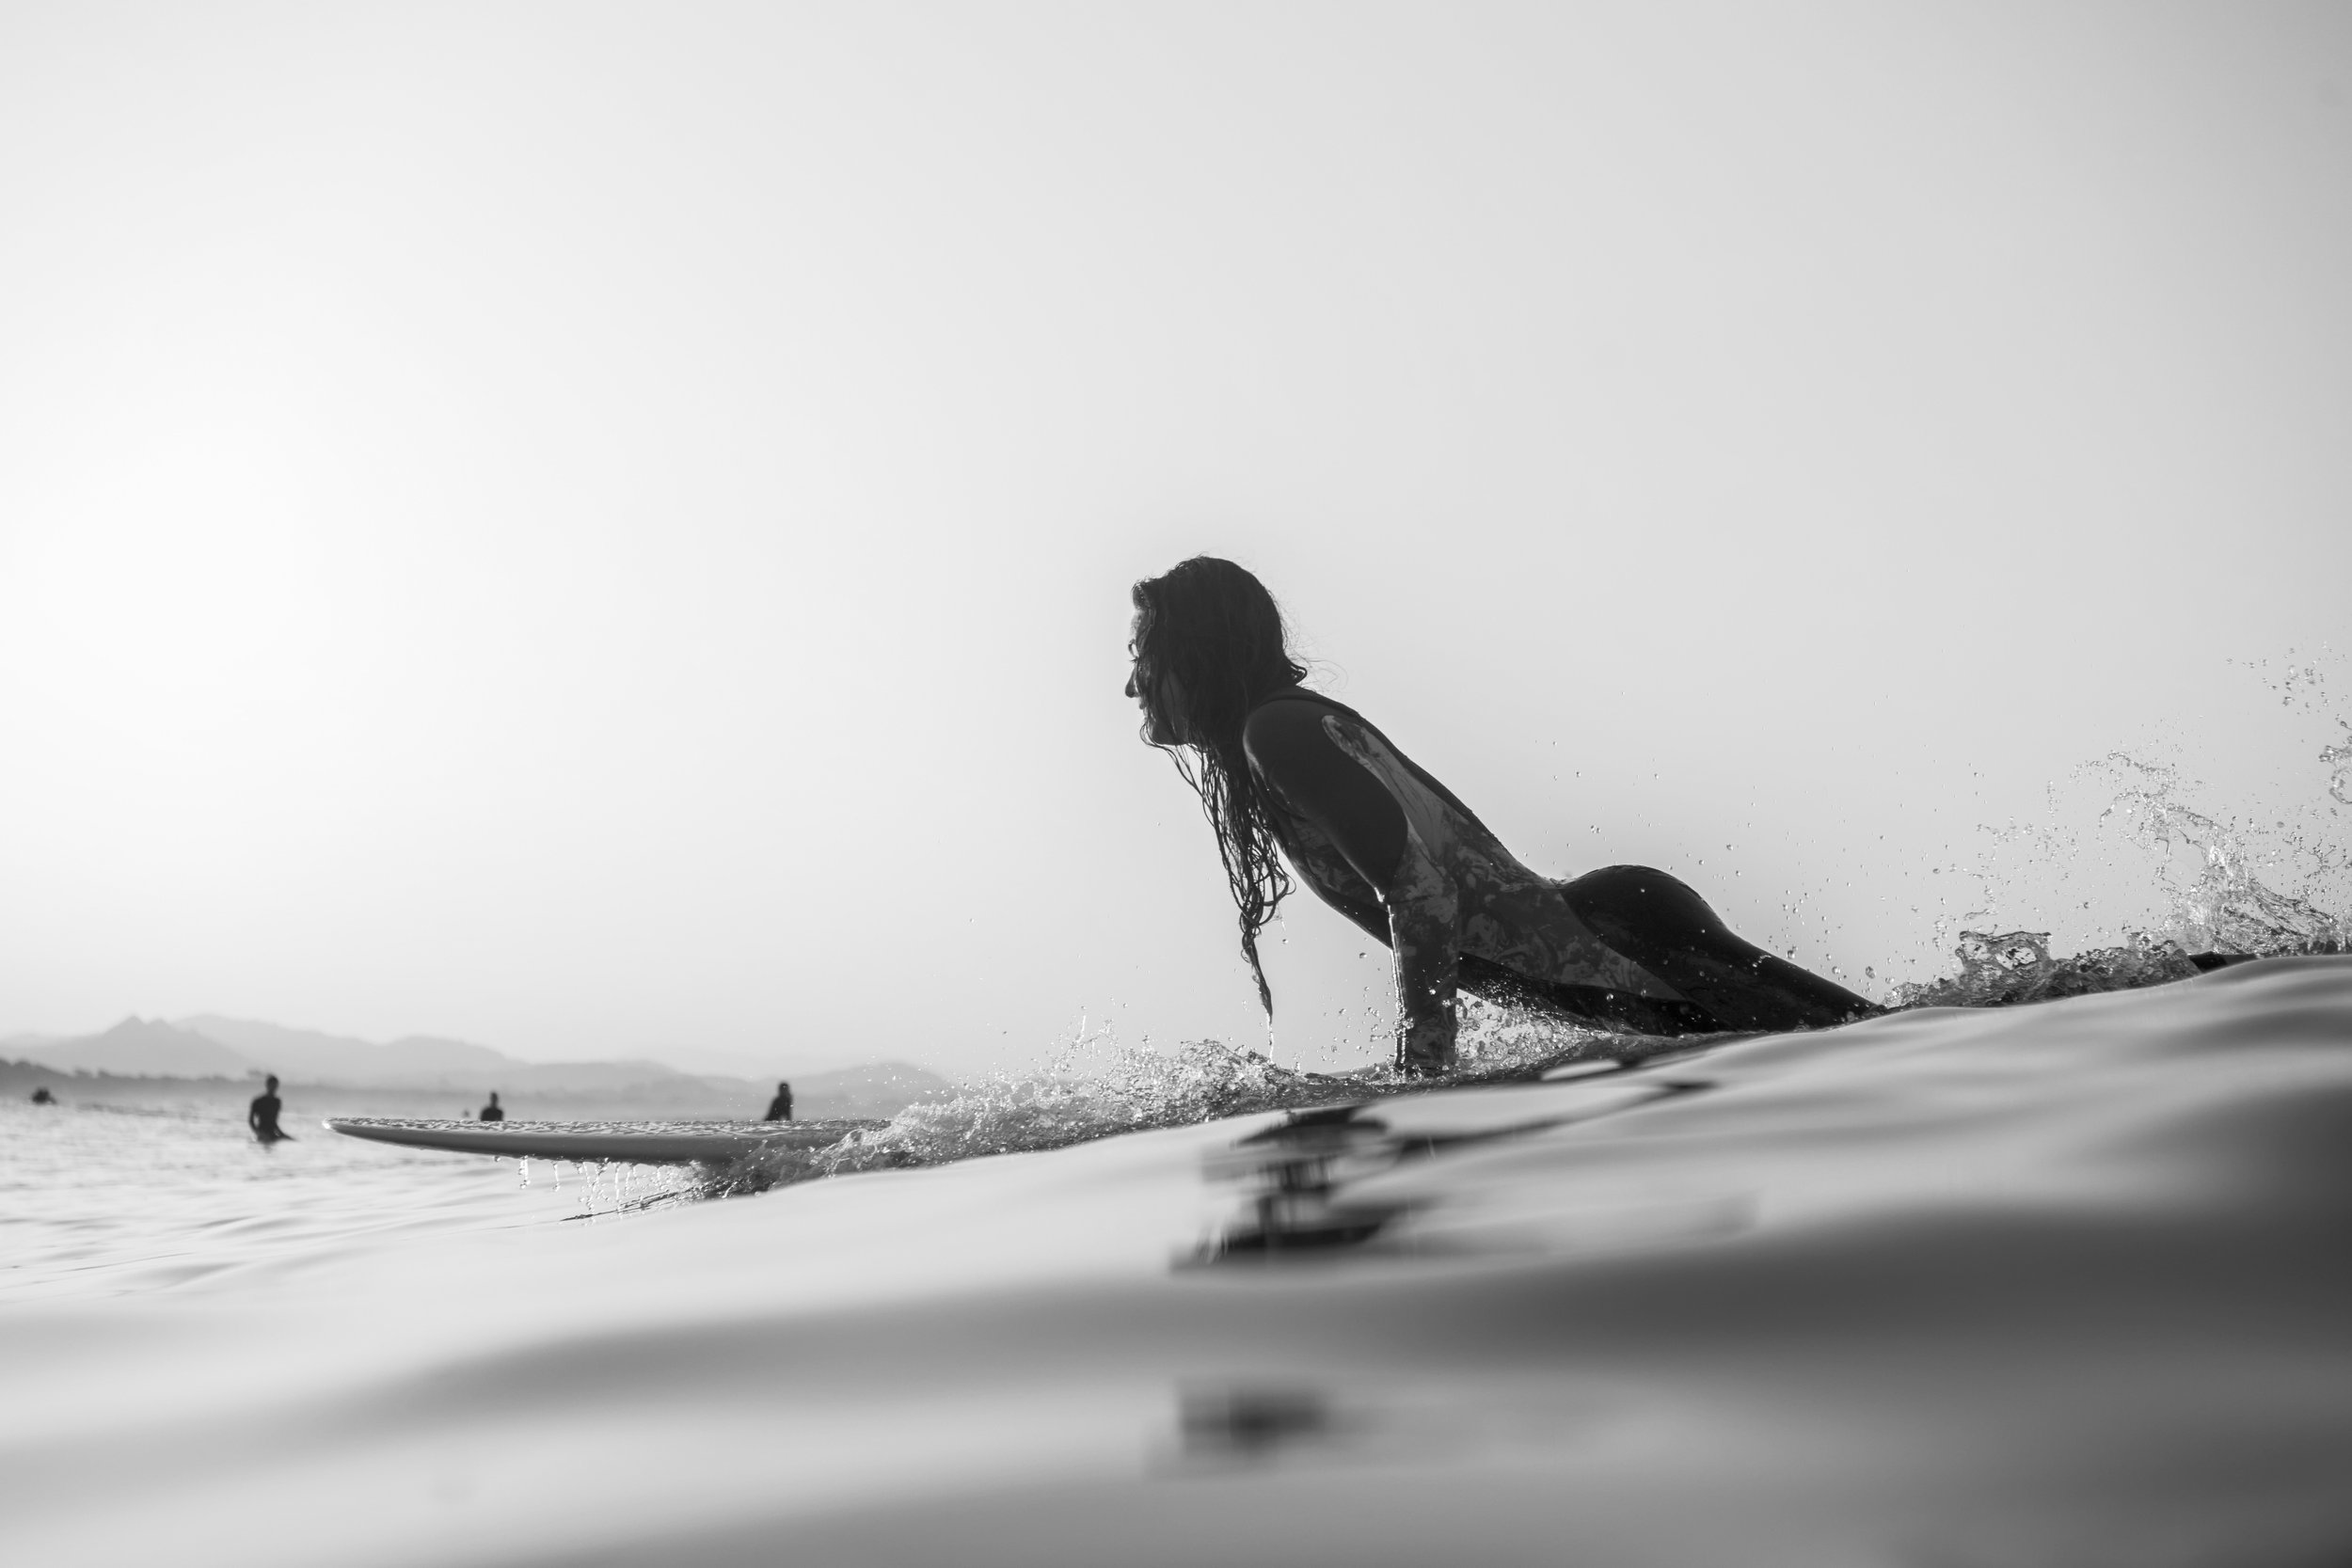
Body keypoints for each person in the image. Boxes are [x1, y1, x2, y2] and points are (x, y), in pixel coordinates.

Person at [1123, 556, 1881, 1075]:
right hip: (1617, 935)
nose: (1134, 686)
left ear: (1200, 653)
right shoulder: (1286, 725)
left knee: (1878, 1046)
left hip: (1619, 945)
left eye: (1144, 657)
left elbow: (1423, 895)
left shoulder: (1275, 731)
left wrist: (1423, 1079)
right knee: (1866, 1045)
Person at [247, 1075, 288, 1143]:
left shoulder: (277, 1102)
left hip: (273, 1133)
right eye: (272, 1085)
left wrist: (282, 1134)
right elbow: (251, 1121)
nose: (274, 1088)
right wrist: (258, 1133)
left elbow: (274, 1122)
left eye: (275, 1086)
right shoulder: (258, 1101)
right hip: (261, 1132)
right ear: (267, 1085)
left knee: (292, 1141)